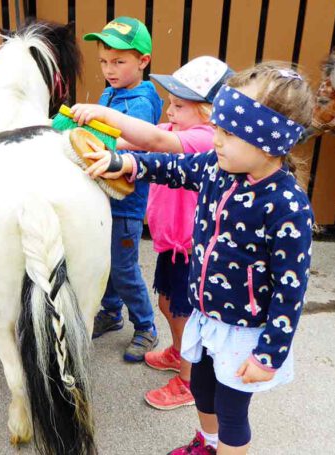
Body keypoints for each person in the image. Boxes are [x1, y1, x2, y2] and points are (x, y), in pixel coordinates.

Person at [84, 63, 314, 454]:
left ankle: (223, 445)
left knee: (231, 409)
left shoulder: (286, 205)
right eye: (217, 129)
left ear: (269, 142)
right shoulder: (217, 165)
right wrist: (128, 163)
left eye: (227, 133)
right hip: (206, 315)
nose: (216, 139)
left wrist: (268, 355)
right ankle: (207, 443)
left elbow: (290, 292)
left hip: (244, 330)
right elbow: (174, 167)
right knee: (203, 391)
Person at [73, 56, 232, 409]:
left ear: (208, 113)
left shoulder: (204, 140)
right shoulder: (180, 131)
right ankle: (179, 352)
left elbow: (156, 140)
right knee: (168, 303)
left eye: (179, 106)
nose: (170, 111)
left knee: (184, 313)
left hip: (191, 247)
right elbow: (139, 144)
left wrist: (107, 116)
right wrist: (104, 145)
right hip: (171, 243)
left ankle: (190, 382)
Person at [82, 16, 164, 362]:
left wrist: (97, 143)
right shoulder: (111, 92)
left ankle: (146, 325)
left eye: (118, 61)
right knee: (108, 262)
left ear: (143, 61)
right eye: (103, 61)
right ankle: (112, 312)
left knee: (125, 268)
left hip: (125, 203)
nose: (109, 69)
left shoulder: (141, 102)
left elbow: (135, 147)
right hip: (104, 196)